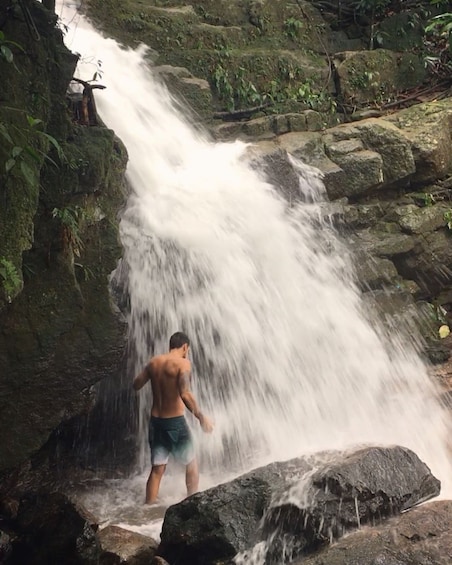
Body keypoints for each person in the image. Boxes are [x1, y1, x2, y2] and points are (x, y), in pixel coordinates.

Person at [133, 331, 214, 504]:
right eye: (188, 350)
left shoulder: (154, 362)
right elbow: (184, 393)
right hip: (175, 423)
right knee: (192, 463)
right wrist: (201, 417)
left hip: (155, 423)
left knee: (157, 469)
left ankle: (148, 508)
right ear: (185, 347)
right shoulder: (183, 364)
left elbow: (136, 384)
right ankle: (192, 503)